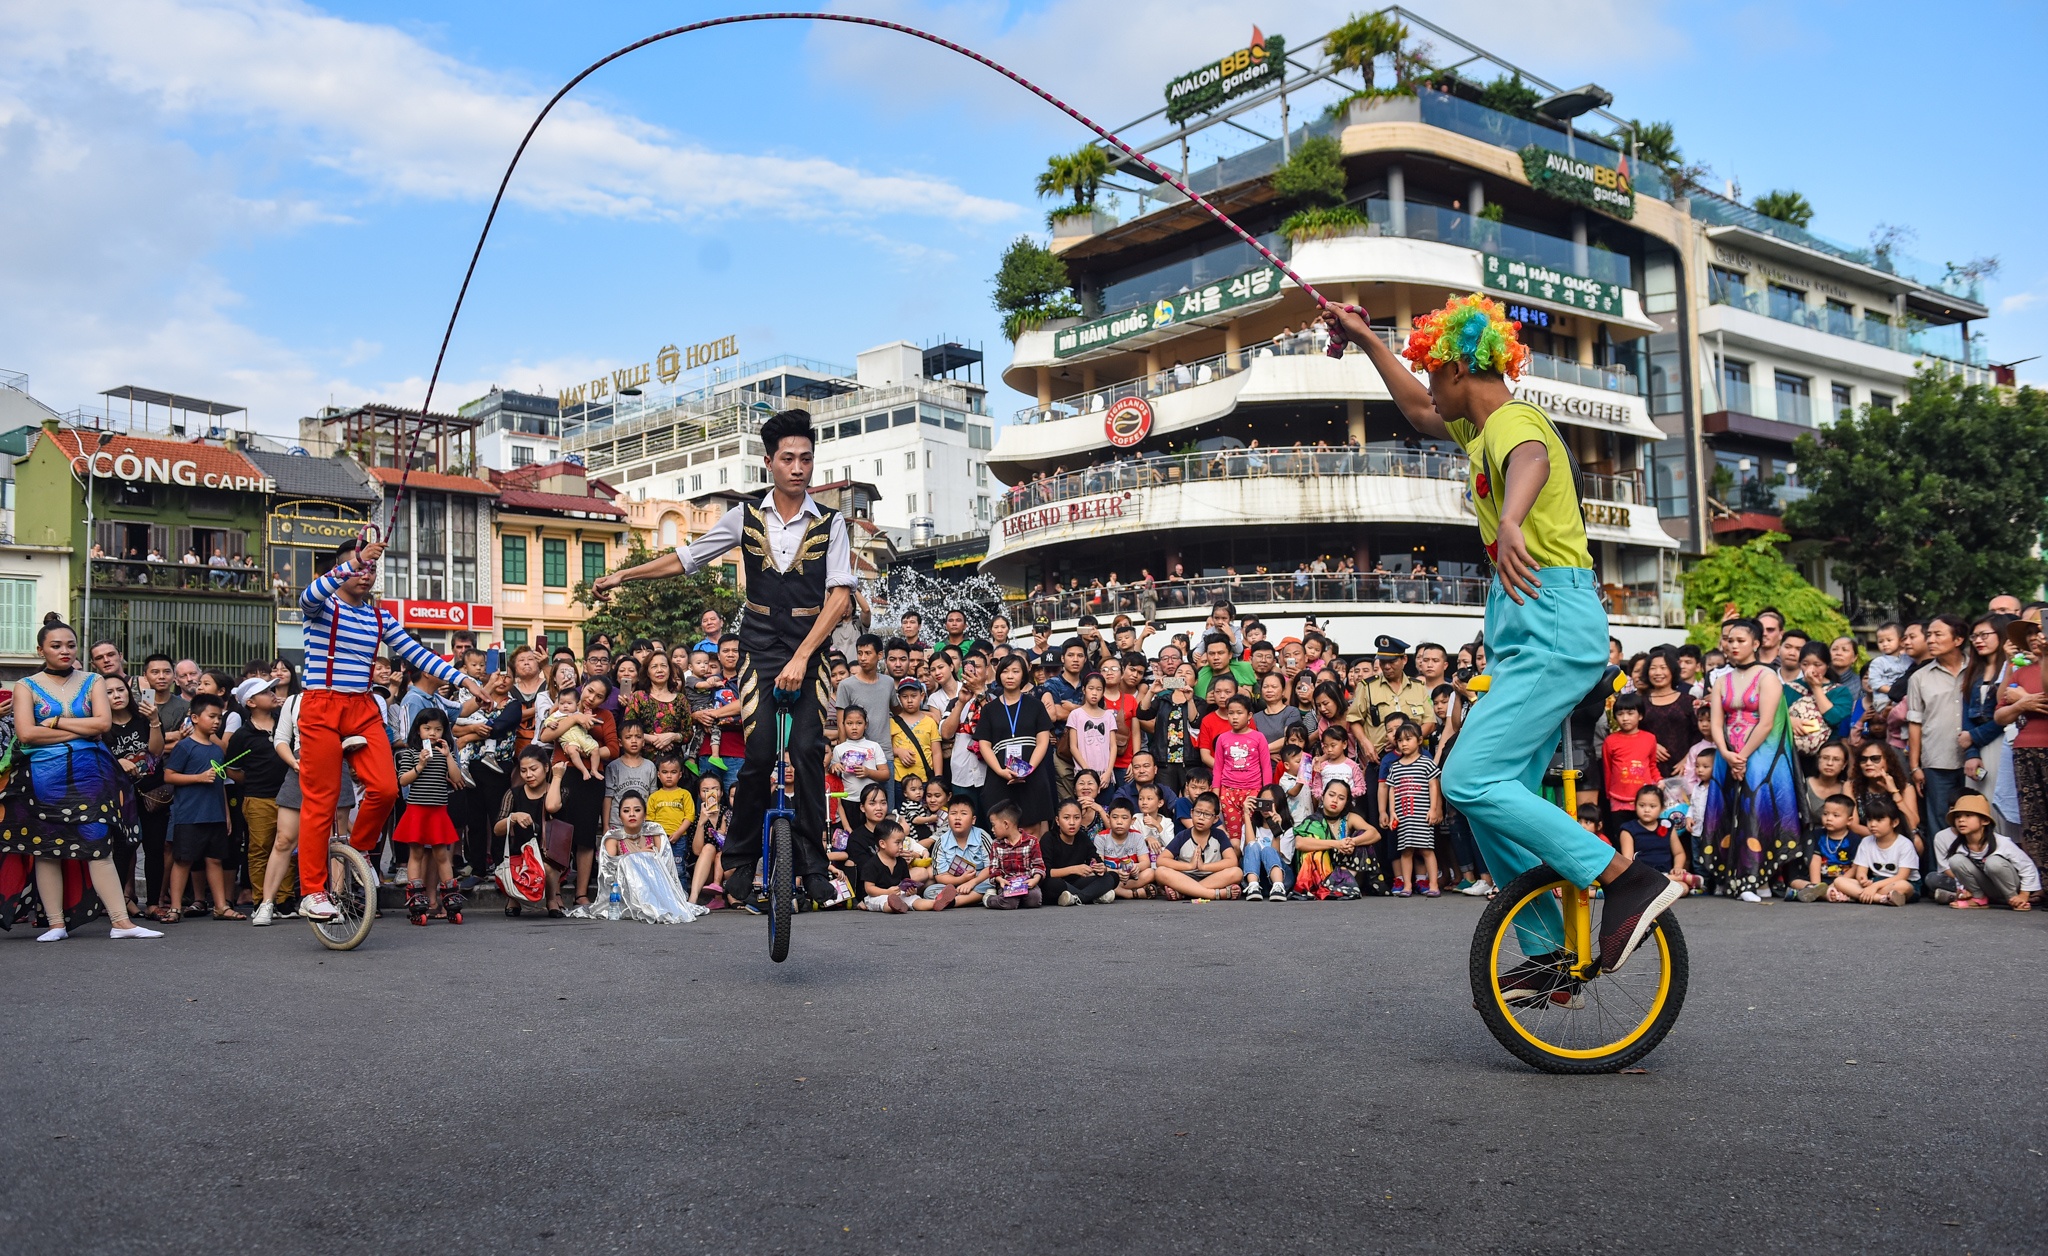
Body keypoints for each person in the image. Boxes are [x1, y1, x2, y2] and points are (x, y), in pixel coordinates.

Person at [1327, 293, 1679, 971]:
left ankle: (1624, 877)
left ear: (1460, 367)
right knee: (1490, 802)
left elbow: (1531, 461)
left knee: (1466, 777)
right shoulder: (1480, 428)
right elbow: (1421, 412)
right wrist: (1368, 341)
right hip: (1528, 625)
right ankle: (1549, 951)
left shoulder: (1516, 420)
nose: (1430, 388)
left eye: (1433, 373)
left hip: (1549, 619)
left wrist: (1512, 518)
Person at [593, 408, 856, 911]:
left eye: (806, 459)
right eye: (787, 459)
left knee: (805, 752)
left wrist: (803, 656)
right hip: (759, 649)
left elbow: (840, 598)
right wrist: (623, 577)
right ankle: (736, 864)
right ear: (769, 464)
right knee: (756, 756)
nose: (798, 468)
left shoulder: (831, 523)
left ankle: (814, 866)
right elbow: (685, 559)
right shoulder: (744, 517)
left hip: (810, 647)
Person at [296, 537, 488, 923]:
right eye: (360, 567)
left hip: (363, 706)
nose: (366, 575)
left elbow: (416, 653)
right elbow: (307, 595)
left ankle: (359, 853)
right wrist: (354, 562)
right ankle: (313, 892)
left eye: (371, 569)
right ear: (341, 567)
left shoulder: (378, 617)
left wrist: (462, 679)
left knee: (385, 789)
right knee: (322, 798)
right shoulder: (322, 605)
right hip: (320, 703)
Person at [0, 617, 162, 940]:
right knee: (45, 848)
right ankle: (56, 924)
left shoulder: (93, 681)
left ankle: (121, 923)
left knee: (97, 845)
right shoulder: (25, 685)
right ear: (40, 650)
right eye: (56, 646)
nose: (65, 651)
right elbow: (27, 734)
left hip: (91, 775)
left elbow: (102, 725)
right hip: (43, 776)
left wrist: (55, 722)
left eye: (70, 645)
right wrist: (77, 731)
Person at [1702, 619, 1802, 902]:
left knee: (1755, 809)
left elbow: (1767, 722)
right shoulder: (1721, 679)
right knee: (1723, 810)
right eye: (1729, 640)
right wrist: (1725, 753)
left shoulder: (1768, 677)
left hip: (1759, 753)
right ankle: (1726, 877)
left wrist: (1742, 757)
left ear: (1756, 644)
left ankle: (1756, 880)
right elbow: (1715, 722)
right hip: (1727, 753)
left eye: (1740, 641)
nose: (1732, 646)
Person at [161, 692, 242, 922]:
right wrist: (198, 778)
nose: (216, 721)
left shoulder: (217, 749)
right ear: (195, 718)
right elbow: (169, 775)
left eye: (219, 717)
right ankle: (175, 907)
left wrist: (226, 814)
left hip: (215, 814)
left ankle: (220, 906)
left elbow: (221, 785)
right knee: (183, 860)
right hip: (189, 815)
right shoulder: (185, 747)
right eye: (212, 716)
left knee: (215, 860)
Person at [1906, 614, 1970, 872]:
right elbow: (1915, 724)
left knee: (1977, 818)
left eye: (1937, 634)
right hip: (1937, 759)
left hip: (1977, 758)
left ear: (1958, 639)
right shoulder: (1919, 678)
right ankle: (1941, 878)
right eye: (1928, 634)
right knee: (1940, 822)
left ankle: (1975, 877)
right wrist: (1915, 766)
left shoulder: (1977, 670)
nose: (1930, 640)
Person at [224, 675, 287, 920]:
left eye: (272, 690)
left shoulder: (285, 724)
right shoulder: (242, 734)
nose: (273, 694)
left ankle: (285, 900)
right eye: (265, 692)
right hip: (258, 798)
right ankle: (262, 900)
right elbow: (231, 769)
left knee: (288, 847)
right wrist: (253, 782)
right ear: (250, 702)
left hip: (288, 796)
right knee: (260, 849)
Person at [394, 707, 465, 924]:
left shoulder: (446, 753)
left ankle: (451, 896)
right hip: (417, 810)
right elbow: (403, 780)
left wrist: (448, 756)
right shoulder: (410, 753)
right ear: (418, 730)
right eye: (427, 728)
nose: (432, 733)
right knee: (415, 853)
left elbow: (456, 777)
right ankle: (416, 896)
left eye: (438, 729)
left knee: (441, 854)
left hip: (438, 811)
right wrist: (420, 765)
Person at [975, 654, 1057, 836]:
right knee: (1001, 828)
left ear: (1024, 675)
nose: (1010, 676)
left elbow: (1043, 741)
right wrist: (1000, 771)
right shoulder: (989, 709)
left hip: (1031, 774)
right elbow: (984, 744)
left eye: (1015, 671)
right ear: (998, 675)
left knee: (1032, 828)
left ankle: (1033, 864)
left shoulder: (1035, 705)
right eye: (1005, 671)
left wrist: (1028, 768)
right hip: (1000, 776)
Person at [1931, 793, 2036, 910]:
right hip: (1989, 889)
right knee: (1955, 860)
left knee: (1993, 862)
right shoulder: (1959, 847)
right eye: (1957, 816)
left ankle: (2015, 900)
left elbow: (2027, 867)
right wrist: (1964, 891)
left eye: (1968, 815)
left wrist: (2024, 895)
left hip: (2010, 887)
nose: (1961, 820)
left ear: (1985, 821)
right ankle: (1979, 898)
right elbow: (1961, 874)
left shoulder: (2001, 842)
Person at [1291, 779, 1383, 899]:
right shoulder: (1312, 820)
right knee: (1314, 853)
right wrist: (1337, 844)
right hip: (1321, 875)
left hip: (1349, 872)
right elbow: (1300, 843)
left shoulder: (1349, 818)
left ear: (1346, 802)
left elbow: (1375, 834)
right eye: (1331, 795)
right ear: (1323, 796)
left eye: (1341, 798)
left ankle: (1345, 882)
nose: (1335, 800)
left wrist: (1352, 842)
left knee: (1363, 837)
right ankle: (1333, 886)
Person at [1380, 722, 1442, 896]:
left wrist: (1433, 808)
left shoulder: (1426, 763)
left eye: (1408, 739)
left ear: (1419, 740)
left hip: (1422, 815)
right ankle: (1407, 886)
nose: (1404, 744)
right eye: (1400, 740)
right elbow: (1391, 789)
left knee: (1427, 850)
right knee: (1406, 851)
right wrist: (1392, 811)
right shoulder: (1395, 767)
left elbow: (1433, 785)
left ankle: (1434, 885)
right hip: (1403, 817)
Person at [1826, 795, 1918, 905]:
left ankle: (1858, 896)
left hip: (1899, 883)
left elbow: (1902, 876)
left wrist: (1874, 887)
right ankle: (1881, 899)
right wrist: (1863, 879)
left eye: (1879, 820)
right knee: (1839, 881)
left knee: (1903, 886)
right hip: (1876, 881)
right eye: (1870, 820)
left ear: (1894, 822)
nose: (1872, 824)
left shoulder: (1904, 844)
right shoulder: (1866, 842)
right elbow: (1861, 870)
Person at [1601, 692, 1661, 840]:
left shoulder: (1650, 738)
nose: (1625, 718)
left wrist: (1659, 781)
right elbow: (1607, 769)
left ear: (1640, 715)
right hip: (1618, 800)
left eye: (1630, 713)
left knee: (1645, 837)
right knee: (1621, 835)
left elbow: (1652, 764)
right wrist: (1609, 795)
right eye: (1620, 714)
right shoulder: (1610, 741)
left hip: (1644, 800)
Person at [1041, 799, 1119, 905]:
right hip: (1058, 883)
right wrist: (1073, 869)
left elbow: (1096, 860)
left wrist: (1100, 868)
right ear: (1058, 820)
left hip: (1077, 883)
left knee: (1112, 877)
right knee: (1053, 884)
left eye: (1077, 818)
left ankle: (1077, 898)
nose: (1072, 822)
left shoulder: (1082, 837)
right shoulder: (1048, 838)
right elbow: (1046, 872)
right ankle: (1093, 896)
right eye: (1066, 818)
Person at [1791, 794, 1858, 902]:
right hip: (1817, 879)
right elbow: (1815, 860)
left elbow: (1855, 868)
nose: (1829, 818)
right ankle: (1822, 892)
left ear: (1849, 820)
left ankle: (1826, 893)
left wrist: (1834, 885)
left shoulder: (1854, 840)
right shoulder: (1816, 835)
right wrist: (1817, 885)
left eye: (1836, 815)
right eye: (1825, 814)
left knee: (1850, 886)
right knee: (1795, 882)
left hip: (1841, 881)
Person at [929, 795, 994, 905]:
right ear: (947, 817)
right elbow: (940, 876)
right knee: (930, 891)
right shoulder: (941, 842)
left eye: (963, 814)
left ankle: (955, 901)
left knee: (991, 882)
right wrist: (961, 880)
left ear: (973, 820)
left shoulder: (982, 836)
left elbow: (992, 866)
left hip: (979, 881)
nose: (957, 818)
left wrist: (972, 882)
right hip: (954, 884)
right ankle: (973, 898)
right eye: (953, 813)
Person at [983, 798, 1046, 909]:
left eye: (994, 825)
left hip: (1027, 882)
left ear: (1006, 824)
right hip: (1007, 883)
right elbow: (994, 869)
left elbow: (1039, 866)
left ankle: (1020, 900)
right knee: (1009, 903)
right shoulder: (996, 845)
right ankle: (989, 899)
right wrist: (1000, 880)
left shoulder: (1032, 841)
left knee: (1034, 899)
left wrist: (1035, 879)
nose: (992, 829)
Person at [1238, 783, 1295, 902]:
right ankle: (1253, 887)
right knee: (1253, 846)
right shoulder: (1249, 827)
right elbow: (1249, 850)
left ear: (1280, 803)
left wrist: (1277, 828)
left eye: (1271, 802)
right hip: (1255, 877)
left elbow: (1278, 856)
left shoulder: (1288, 829)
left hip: (1280, 877)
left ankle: (1278, 888)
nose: (1266, 806)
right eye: (1263, 802)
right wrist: (1246, 815)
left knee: (1269, 850)